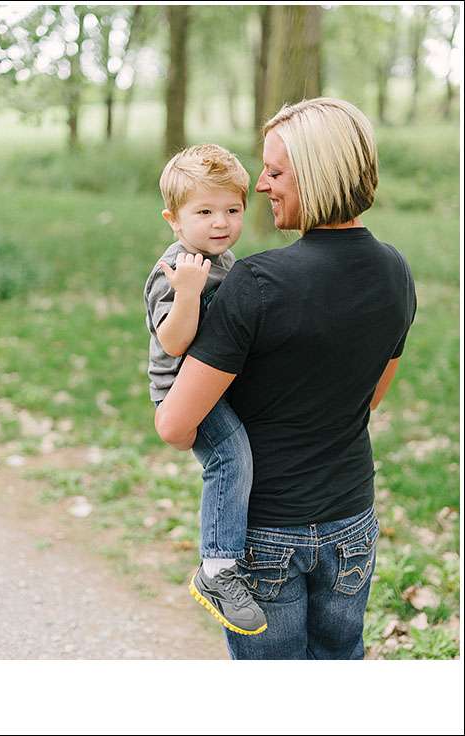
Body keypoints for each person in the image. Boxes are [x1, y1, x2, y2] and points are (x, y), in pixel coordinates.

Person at [155, 98, 416, 659]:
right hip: (352, 521)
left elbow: (176, 426)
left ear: (317, 174)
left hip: (268, 530)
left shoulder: (255, 282)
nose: (264, 186)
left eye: (275, 171)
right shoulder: (396, 270)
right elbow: (371, 398)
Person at [144, 144, 265, 636]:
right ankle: (217, 568)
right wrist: (189, 292)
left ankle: (247, 541)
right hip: (181, 391)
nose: (221, 222)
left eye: (232, 210)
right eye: (205, 212)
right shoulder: (177, 270)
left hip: (217, 383)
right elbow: (171, 341)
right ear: (174, 219)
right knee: (229, 457)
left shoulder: (224, 259)